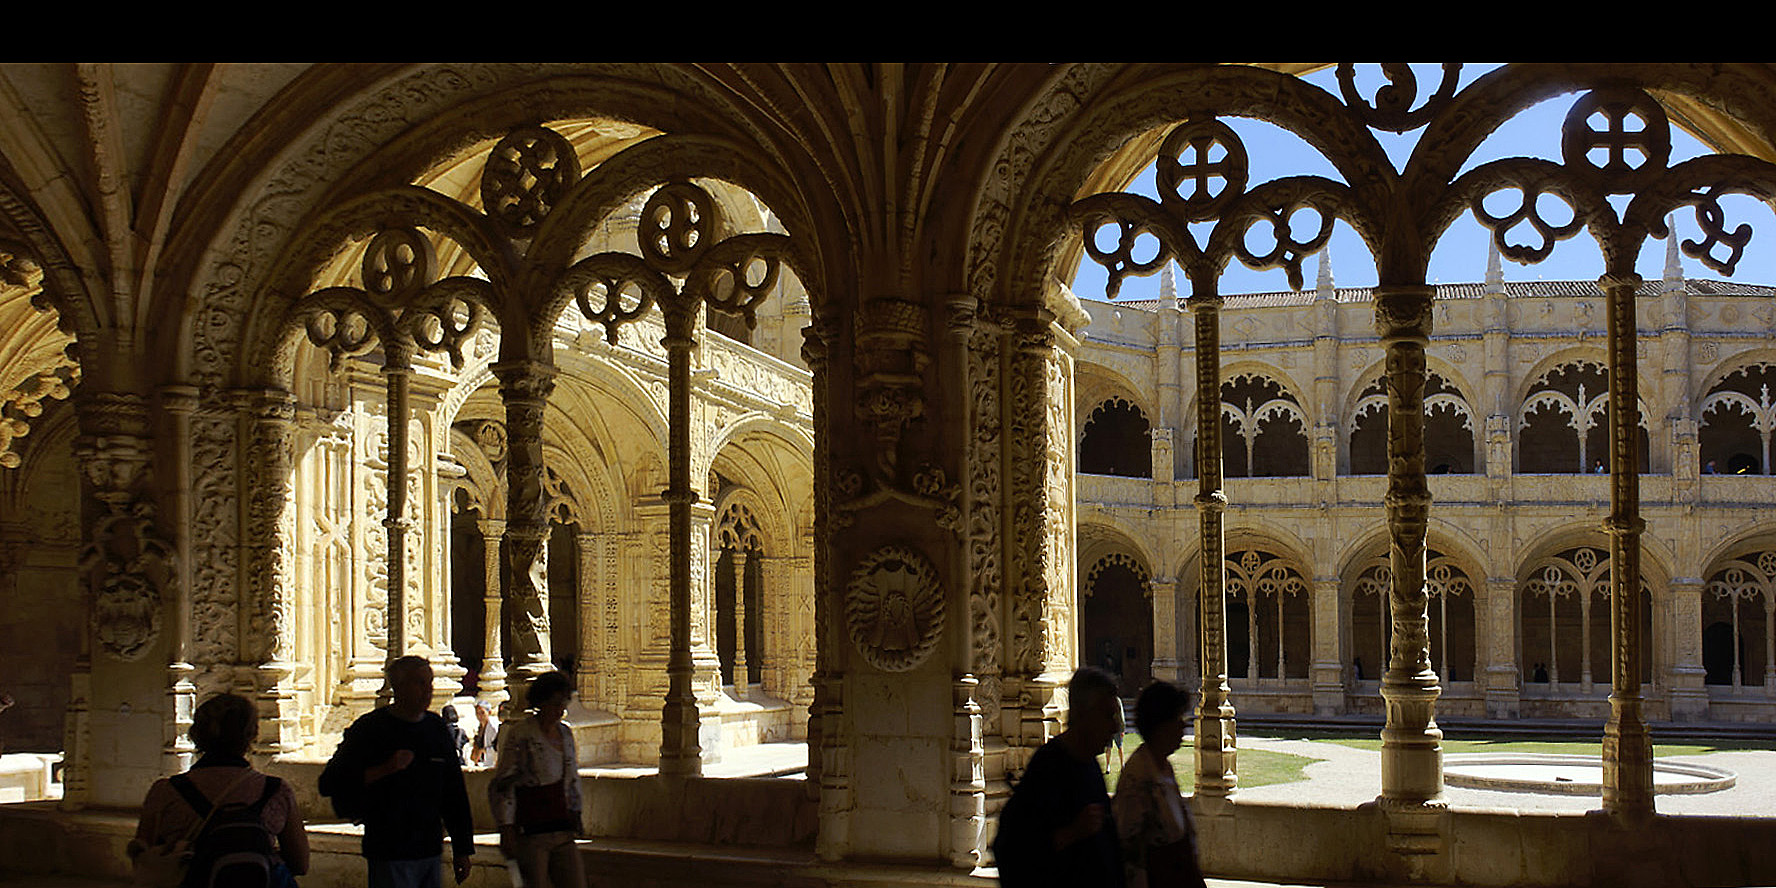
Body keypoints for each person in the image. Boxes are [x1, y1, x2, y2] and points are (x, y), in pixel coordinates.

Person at [319, 656, 474, 888]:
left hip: (429, 848)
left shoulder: (436, 729)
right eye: (420, 683)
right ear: (399, 687)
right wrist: (385, 769)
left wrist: (463, 849)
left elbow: (453, 791)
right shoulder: (370, 730)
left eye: (430, 683)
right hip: (389, 850)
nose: (428, 691)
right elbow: (330, 782)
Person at [129, 693, 309, 887]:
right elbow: (300, 864)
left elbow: (142, 856)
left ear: (197, 735)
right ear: (252, 734)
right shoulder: (276, 792)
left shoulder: (165, 792)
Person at [991, 666, 1124, 888]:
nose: (1114, 726)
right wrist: (1071, 833)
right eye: (1107, 716)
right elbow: (1013, 849)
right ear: (1084, 715)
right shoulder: (1049, 767)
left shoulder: (1089, 763)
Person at [489, 671, 587, 888]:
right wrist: (506, 828)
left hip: (562, 828)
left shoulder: (566, 734)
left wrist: (576, 812)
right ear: (541, 702)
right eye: (555, 704)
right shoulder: (522, 734)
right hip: (533, 831)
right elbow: (504, 784)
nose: (560, 710)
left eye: (563, 703)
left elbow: (571, 779)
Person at [1113, 681, 1205, 888]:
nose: (1183, 725)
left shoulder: (1163, 767)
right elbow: (1130, 854)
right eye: (1177, 718)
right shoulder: (1138, 778)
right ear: (1160, 725)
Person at [471, 700, 500, 768]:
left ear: (489, 712)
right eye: (477, 713)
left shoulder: (493, 726)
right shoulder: (480, 727)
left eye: (482, 713)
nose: (479, 716)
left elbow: (497, 745)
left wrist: (483, 750)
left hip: (492, 761)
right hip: (485, 762)